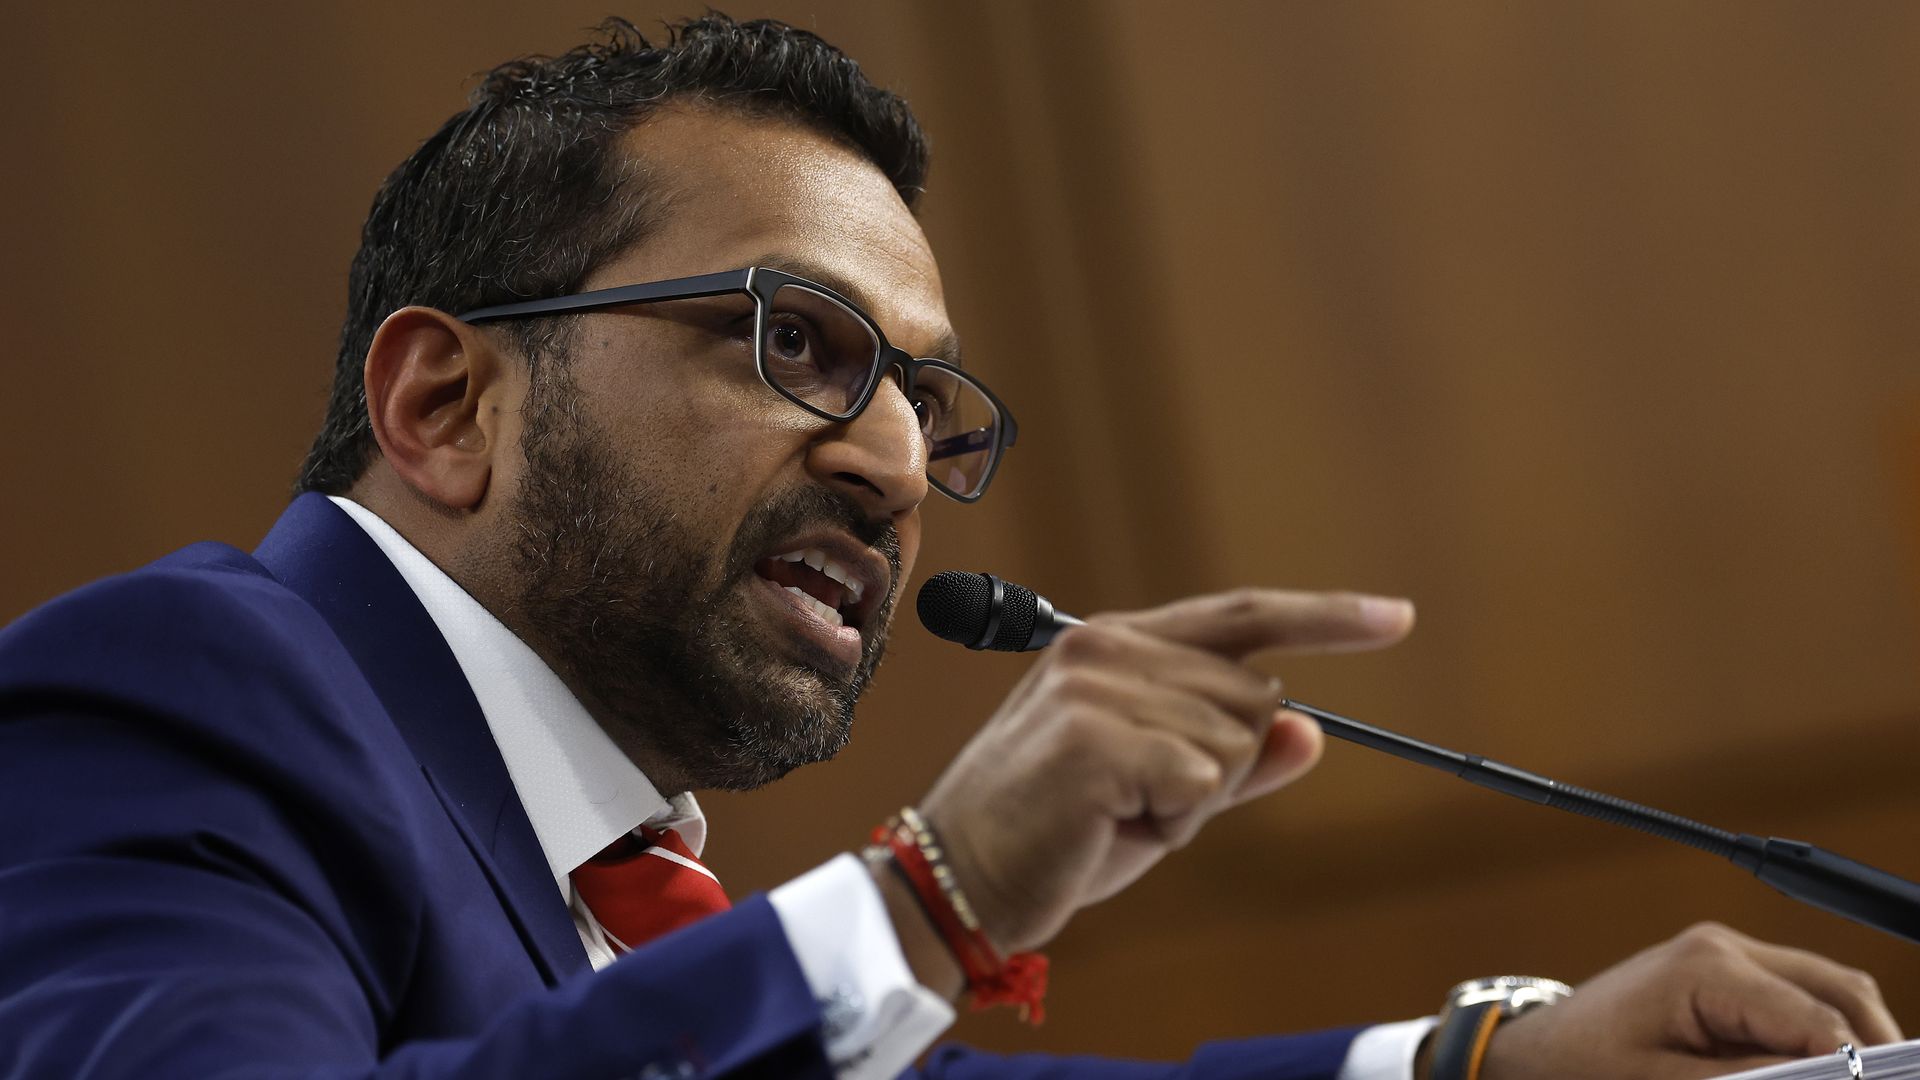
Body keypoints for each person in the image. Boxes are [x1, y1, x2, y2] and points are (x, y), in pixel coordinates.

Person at [0, 14, 1901, 1080]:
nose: (898, 464)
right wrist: (932, 893)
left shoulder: (620, 880)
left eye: (929, 402)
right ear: (444, 407)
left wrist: (1480, 1072)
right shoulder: (184, 695)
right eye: (804, 345)